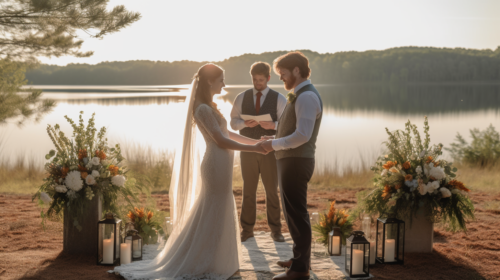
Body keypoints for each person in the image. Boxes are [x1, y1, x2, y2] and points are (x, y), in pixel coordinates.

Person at [114, 63, 268, 280]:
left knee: (219, 207)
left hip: (222, 166)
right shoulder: (202, 108)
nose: (224, 83)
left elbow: (230, 133)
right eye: (221, 79)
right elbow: (221, 141)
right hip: (215, 165)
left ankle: (216, 257)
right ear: (209, 81)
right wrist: (254, 149)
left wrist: (255, 142)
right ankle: (201, 257)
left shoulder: (210, 106)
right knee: (213, 209)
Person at [260, 52, 323, 280]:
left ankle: (299, 271)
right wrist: (274, 130)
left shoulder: (306, 97)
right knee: (293, 213)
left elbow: (302, 136)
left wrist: (272, 145)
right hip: (291, 161)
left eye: (283, 74)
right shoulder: (299, 95)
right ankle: (299, 260)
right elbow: (294, 127)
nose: (281, 79)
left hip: (297, 162)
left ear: (296, 70)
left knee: (297, 214)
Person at [230, 61, 287, 243]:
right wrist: (243, 123)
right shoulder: (241, 97)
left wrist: (274, 125)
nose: (257, 83)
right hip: (247, 149)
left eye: (261, 80)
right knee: (249, 190)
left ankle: (276, 230)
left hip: (270, 150)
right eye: (255, 80)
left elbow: (287, 126)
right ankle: (247, 230)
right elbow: (232, 122)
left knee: (272, 190)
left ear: (268, 78)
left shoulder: (279, 99)